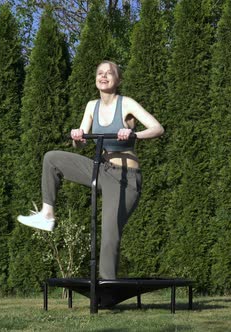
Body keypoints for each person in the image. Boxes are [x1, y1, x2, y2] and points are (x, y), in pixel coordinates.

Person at [17, 60, 164, 279]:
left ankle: (107, 288)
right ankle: (47, 214)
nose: (104, 76)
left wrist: (134, 134)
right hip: (101, 169)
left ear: (118, 79)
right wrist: (78, 137)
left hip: (125, 178)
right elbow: (82, 142)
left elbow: (157, 128)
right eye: (100, 73)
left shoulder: (127, 104)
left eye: (109, 73)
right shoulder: (91, 106)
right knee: (51, 159)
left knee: (109, 234)